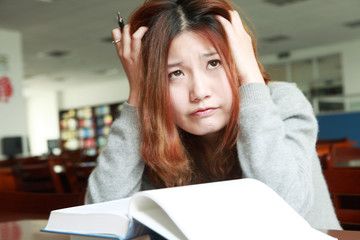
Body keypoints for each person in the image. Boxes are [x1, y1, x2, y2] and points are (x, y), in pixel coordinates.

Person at [85, 0, 341, 230]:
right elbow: (97, 226)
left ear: (237, 61)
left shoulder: (280, 101)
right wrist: (139, 97)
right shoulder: (158, 128)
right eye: (174, 73)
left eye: (214, 63)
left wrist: (250, 78)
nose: (199, 92)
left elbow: (290, 208)